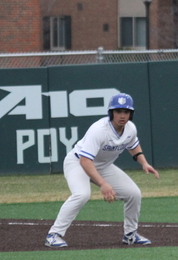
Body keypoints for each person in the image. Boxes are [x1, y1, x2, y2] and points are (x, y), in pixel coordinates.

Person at [45, 93, 159, 248]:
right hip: (77, 163)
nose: (122, 115)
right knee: (82, 194)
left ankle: (130, 235)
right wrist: (103, 184)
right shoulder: (99, 130)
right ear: (111, 112)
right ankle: (53, 235)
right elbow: (85, 161)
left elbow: (133, 145)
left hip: (103, 166)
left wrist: (144, 163)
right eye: (118, 111)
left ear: (131, 114)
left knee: (134, 194)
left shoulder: (130, 128)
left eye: (126, 112)